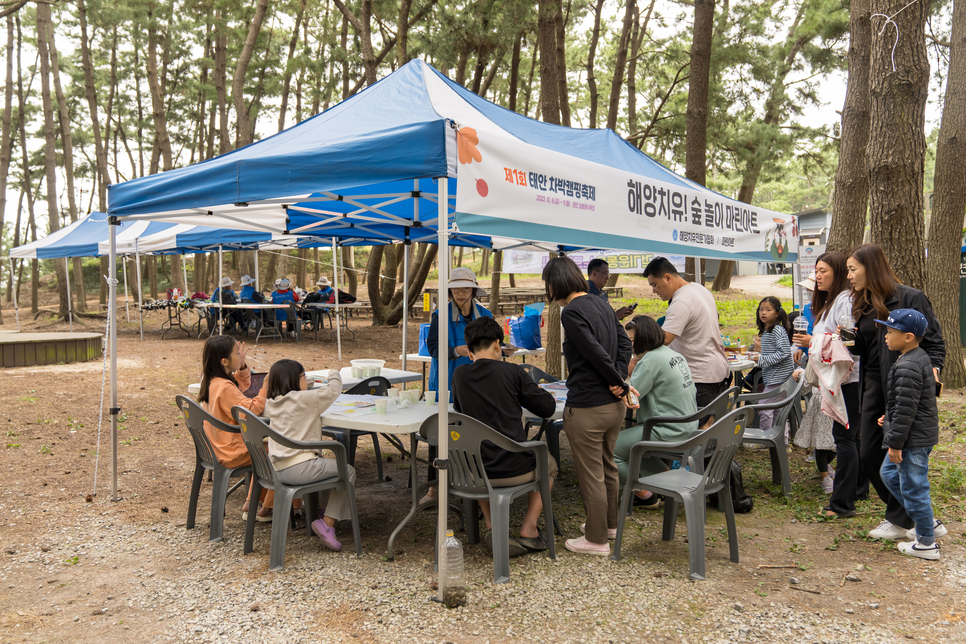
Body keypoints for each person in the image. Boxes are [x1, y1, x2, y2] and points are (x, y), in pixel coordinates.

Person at [846, 244, 945, 540]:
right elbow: (867, 347)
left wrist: (934, 370)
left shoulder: (910, 297)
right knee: (868, 453)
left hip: (903, 382)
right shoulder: (862, 301)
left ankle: (904, 519)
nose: (849, 276)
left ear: (871, 268)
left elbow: (935, 342)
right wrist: (849, 340)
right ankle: (915, 516)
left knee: (900, 455)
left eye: (853, 269)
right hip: (874, 382)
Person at [542, 256, 634, 556]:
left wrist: (615, 378)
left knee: (592, 473)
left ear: (555, 283)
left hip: (588, 407)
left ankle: (596, 540)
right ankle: (608, 525)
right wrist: (619, 378)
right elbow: (624, 344)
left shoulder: (571, 312)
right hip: (613, 407)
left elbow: (593, 351)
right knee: (608, 466)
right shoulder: (601, 304)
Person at [452, 317, 558, 554]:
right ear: (498, 344)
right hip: (513, 467)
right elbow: (547, 408)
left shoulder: (459, 375)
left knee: (476, 451)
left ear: (469, 351)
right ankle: (529, 529)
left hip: (473, 472)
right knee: (549, 464)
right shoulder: (512, 371)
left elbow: (460, 410)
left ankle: (492, 526)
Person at [792, 252, 866, 518]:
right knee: (852, 439)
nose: (818, 276)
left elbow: (848, 342)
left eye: (823, 270)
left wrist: (814, 341)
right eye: (816, 270)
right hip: (843, 379)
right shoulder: (831, 302)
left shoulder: (844, 300)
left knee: (845, 440)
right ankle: (858, 489)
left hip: (847, 380)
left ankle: (842, 503)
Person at [263, 359, 357, 552]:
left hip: (279, 470)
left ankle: (322, 512)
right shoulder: (307, 399)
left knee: (324, 465)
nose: (306, 379)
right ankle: (328, 523)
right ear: (296, 380)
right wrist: (334, 372)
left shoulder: (271, 403)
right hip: (301, 468)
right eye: (304, 376)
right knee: (348, 471)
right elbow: (333, 390)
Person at [875, 309, 945, 559]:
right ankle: (928, 522)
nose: (885, 335)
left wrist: (895, 444)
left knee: (914, 488)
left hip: (911, 439)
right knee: (888, 474)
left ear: (907, 336)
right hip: (912, 434)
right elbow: (906, 402)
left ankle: (926, 543)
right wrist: (889, 418)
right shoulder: (914, 357)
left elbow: (907, 411)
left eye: (890, 331)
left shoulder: (908, 365)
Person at [614, 316, 697, 509]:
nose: (631, 345)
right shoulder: (672, 354)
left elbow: (631, 397)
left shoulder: (649, 361)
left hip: (666, 429)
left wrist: (623, 377)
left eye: (632, 341)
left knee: (610, 449)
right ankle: (668, 483)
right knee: (634, 449)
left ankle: (642, 492)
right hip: (688, 426)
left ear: (644, 338)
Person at [197, 335, 274, 521]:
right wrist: (265, 387)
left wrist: (241, 366)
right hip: (230, 449)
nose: (240, 355)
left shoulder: (212, 381)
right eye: (236, 353)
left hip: (216, 446)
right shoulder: (224, 387)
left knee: (271, 448)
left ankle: (257, 502)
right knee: (279, 451)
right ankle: (261, 505)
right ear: (224, 361)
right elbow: (253, 410)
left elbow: (241, 385)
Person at [642, 257, 729, 418]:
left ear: (668, 277)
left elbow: (664, 339)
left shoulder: (682, 300)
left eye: (654, 285)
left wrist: (637, 353)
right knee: (708, 427)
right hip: (713, 371)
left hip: (699, 376)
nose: (654, 291)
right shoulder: (698, 288)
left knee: (700, 430)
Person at [426, 267, 498, 402]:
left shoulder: (485, 315)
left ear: (473, 291)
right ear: (449, 292)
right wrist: (455, 351)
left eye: (466, 288)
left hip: (478, 382)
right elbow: (432, 348)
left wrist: (504, 348)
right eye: (455, 289)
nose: (461, 293)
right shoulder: (440, 315)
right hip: (446, 383)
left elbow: (491, 345)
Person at [752, 296, 795, 439]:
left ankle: (766, 438)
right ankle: (782, 441)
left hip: (780, 378)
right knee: (777, 412)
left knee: (764, 408)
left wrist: (762, 359)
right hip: (774, 378)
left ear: (777, 313)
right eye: (761, 310)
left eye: (768, 310)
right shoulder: (767, 331)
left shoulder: (777, 330)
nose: (763, 313)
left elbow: (784, 352)